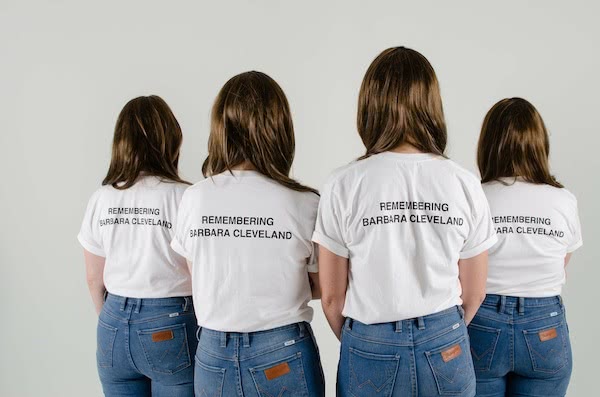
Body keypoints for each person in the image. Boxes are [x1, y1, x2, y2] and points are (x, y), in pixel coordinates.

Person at [313, 47, 497, 397]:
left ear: (370, 105)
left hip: (370, 342)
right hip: (446, 343)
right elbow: (474, 294)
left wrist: (367, 346)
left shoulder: (343, 183)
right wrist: (441, 335)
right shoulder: (463, 182)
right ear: (431, 104)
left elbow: (332, 298)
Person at [171, 71, 325, 397]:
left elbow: (196, 271)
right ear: (281, 128)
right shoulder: (305, 202)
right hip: (282, 349)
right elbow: (322, 284)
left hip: (214, 354)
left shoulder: (195, 197)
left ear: (220, 129)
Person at [78, 95, 197, 396]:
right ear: (171, 139)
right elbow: (201, 275)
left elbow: (94, 279)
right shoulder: (186, 197)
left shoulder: (102, 198)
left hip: (112, 322)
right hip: (171, 322)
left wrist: (115, 322)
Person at [469, 97, 582, 397]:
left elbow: (463, 268)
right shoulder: (564, 200)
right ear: (539, 144)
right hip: (545, 325)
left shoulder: (475, 197)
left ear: (488, 144)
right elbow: (560, 264)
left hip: (481, 321)